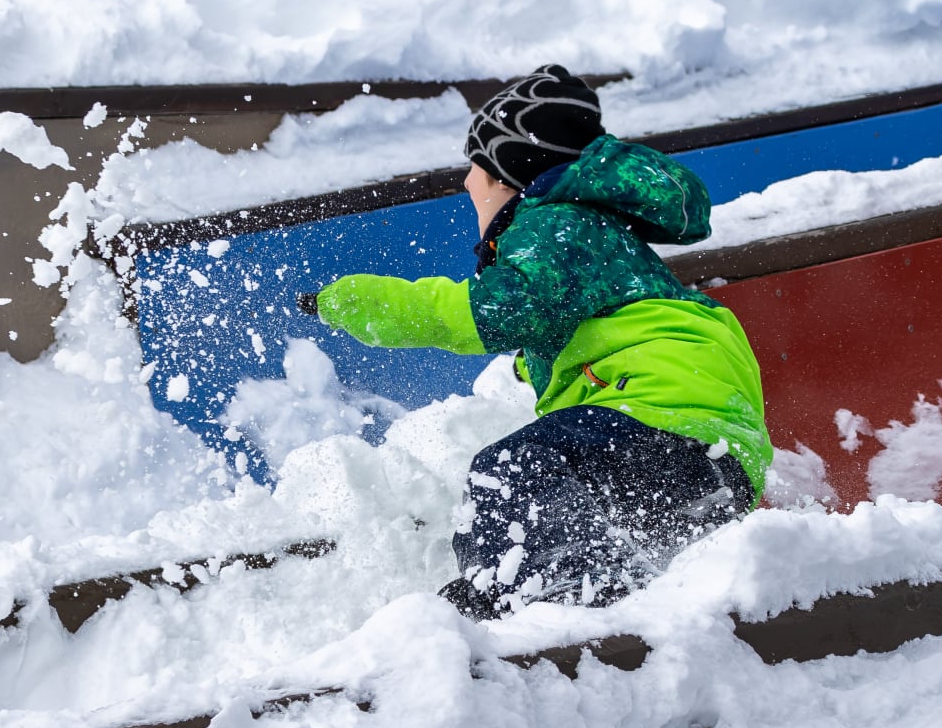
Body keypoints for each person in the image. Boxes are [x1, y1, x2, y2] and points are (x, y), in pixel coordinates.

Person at [312, 64, 771, 618]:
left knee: (511, 471)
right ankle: (591, 589)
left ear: (510, 172)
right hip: (715, 458)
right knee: (567, 489)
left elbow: (497, 311)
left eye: (476, 168)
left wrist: (357, 302)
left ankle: (534, 598)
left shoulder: (553, 222)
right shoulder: (593, 235)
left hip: (661, 421)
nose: (465, 184)